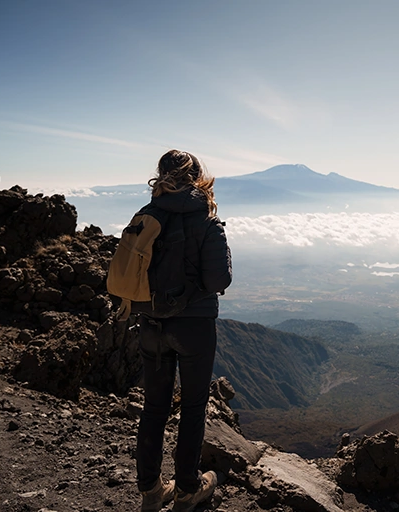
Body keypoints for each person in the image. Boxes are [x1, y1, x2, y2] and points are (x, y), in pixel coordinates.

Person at [136, 150, 232, 512]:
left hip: (150, 325)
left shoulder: (146, 216)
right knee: (193, 408)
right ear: (197, 177)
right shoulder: (207, 219)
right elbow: (218, 279)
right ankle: (188, 489)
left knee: (154, 407)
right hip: (193, 327)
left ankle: (150, 491)